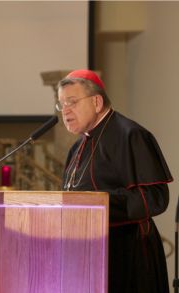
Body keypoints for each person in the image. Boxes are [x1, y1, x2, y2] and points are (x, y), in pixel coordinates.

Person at [57, 69, 173, 293]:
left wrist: (99, 203)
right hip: (86, 250)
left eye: (71, 102)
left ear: (97, 101)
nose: (65, 111)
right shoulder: (77, 148)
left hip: (127, 252)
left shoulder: (130, 135)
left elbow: (155, 198)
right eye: (61, 104)